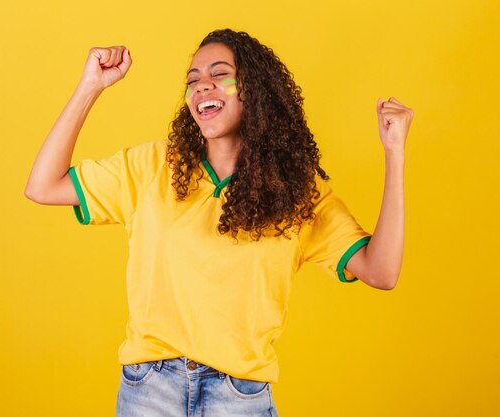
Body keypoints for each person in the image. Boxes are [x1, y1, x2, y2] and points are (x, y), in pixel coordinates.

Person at [25, 29, 413, 417]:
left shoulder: (296, 195)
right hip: (150, 391)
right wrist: (91, 86)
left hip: (238, 399)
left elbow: (382, 271)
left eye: (219, 74)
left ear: (254, 89)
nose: (201, 87)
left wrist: (394, 153)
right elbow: (43, 186)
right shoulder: (154, 167)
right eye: (192, 80)